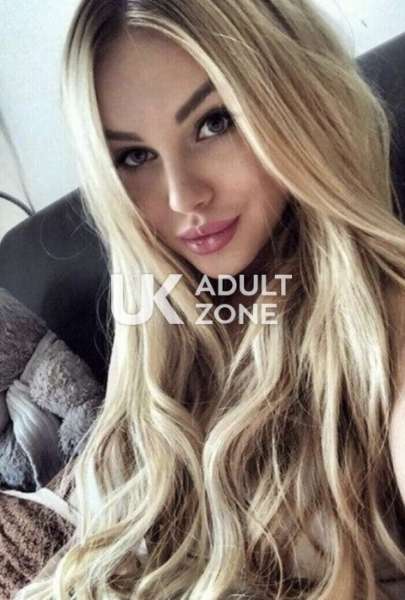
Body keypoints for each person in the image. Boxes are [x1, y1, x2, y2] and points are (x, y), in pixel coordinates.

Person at [14, 0, 405, 598]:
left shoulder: (384, 327)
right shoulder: (157, 330)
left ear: (297, 101)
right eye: (134, 156)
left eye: (214, 122)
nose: (181, 197)